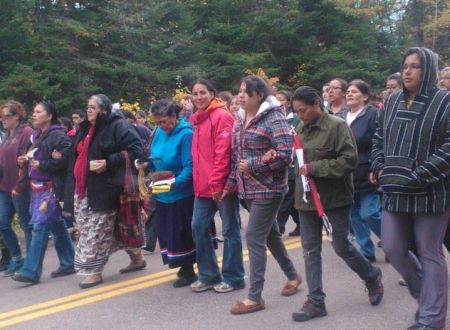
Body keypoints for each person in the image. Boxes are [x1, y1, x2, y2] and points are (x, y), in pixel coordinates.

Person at [371, 47, 450, 330]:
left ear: (427, 69)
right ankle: (427, 299)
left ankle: (432, 318)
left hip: (430, 191)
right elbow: (378, 136)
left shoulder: (445, 101)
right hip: (394, 189)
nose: (407, 71)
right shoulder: (391, 102)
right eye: (405, 65)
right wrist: (378, 163)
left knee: (430, 252)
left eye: (415, 66)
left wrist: (420, 174)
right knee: (393, 248)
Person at [290, 86, 383, 322]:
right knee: (310, 251)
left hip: (334, 200)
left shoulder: (337, 126)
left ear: (316, 104)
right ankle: (316, 301)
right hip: (307, 200)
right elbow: (299, 161)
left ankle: (371, 275)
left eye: (304, 110)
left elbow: (349, 160)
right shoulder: (300, 128)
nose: (301, 115)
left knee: (342, 246)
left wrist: (315, 168)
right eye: (297, 112)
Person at [225, 75, 302, 315]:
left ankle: (254, 296)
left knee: (254, 238)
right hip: (247, 188)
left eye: (246, 91)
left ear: (259, 95)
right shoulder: (239, 118)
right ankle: (293, 276)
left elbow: (285, 154)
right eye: (239, 90)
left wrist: (256, 164)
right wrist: (231, 182)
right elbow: (237, 156)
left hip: (269, 189)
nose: (240, 95)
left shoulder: (274, 118)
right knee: (271, 236)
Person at [67, 94, 147, 289]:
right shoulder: (85, 128)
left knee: (97, 231)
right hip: (84, 187)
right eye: (87, 106)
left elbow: (137, 150)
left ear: (104, 109)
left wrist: (109, 162)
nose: (88, 110)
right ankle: (137, 258)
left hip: (107, 187)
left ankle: (94, 272)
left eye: (93, 106)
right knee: (103, 228)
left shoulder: (118, 126)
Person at [189, 78, 245, 293]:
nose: (199, 97)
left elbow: (223, 153)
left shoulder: (221, 116)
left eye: (203, 92)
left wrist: (218, 183)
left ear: (212, 93)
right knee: (198, 226)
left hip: (221, 185)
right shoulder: (198, 119)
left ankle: (234, 277)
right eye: (195, 94)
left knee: (230, 230)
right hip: (202, 186)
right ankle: (209, 274)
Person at [12, 102, 75, 284]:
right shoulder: (36, 135)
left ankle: (31, 271)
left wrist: (44, 164)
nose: (34, 114)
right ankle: (68, 262)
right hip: (38, 185)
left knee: (39, 227)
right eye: (34, 111)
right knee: (57, 225)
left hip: (50, 187)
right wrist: (24, 159)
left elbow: (67, 158)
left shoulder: (58, 134)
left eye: (38, 112)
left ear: (49, 116)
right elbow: (38, 156)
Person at [147, 99, 197, 287]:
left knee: (180, 233)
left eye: (164, 122)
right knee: (167, 232)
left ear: (174, 116)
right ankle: (182, 266)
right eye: (157, 123)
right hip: (163, 190)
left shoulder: (186, 135)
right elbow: (155, 157)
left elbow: (189, 168)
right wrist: (146, 164)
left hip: (180, 192)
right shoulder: (159, 132)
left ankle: (188, 269)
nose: (161, 126)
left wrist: (174, 183)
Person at [339, 80, 381, 262]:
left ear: (365, 96)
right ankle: (367, 251)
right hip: (347, 175)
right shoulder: (341, 117)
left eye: (354, 92)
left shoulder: (373, 114)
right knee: (354, 215)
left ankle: (393, 242)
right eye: (347, 91)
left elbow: (379, 142)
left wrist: (376, 166)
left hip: (368, 172)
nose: (349, 94)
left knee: (369, 213)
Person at [0, 101, 33, 276]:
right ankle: (16, 257)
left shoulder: (26, 132)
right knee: (2, 223)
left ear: (17, 116)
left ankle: (30, 261)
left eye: (6, 116)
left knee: (26, 225)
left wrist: (20, 185)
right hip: (4, 186)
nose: (2, 119)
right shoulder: (7, 134)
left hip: (19, 186)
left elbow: (27, 161)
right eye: (1, 116)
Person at [274, 90, 301, 237]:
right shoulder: (274, 119)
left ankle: (279, 227)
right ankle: (301, 224)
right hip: (279, 164)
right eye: (276, 100)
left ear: (288, 103)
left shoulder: (295, 120)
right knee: (291, 201)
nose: (278, 103)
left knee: (286, 199)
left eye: (281, 100)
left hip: (293, 164)